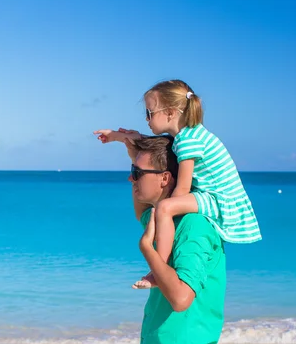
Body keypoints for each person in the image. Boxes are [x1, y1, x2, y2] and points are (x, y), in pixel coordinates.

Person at [95, 79, 260, 288]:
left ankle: (159, 268)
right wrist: (117, 137)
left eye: (149, 113)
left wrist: (165, 210)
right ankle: (160, 266)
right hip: (213, 194)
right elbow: (148, 144)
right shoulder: (188, 134)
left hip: (219, 199)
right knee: (164, 208)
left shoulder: (188, 141)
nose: (146, 119)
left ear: (171, 113)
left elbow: (182, 187)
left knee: (165, 207)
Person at [119, 135, 225, 344]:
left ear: (165, 178)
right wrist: (134, 156)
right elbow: (141, 211)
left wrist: (147, 249)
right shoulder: (162, 220)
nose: (131, 179)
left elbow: (180, 298)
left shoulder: (193, 226)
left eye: (137, 173)